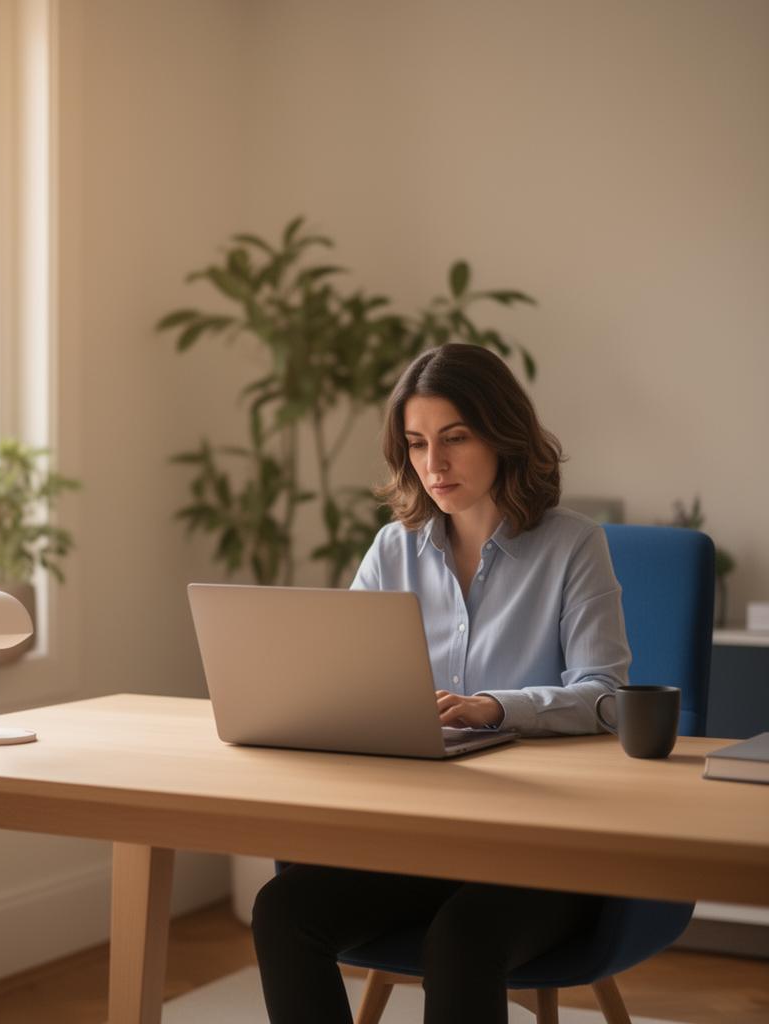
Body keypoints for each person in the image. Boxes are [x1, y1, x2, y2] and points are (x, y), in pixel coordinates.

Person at [251, 343, 631, 1024]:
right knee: (282, 911)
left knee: (462, 940)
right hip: (418, 841)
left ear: (503, 436)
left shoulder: (574, 545)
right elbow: (344, 680)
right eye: (418, 443)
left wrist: (494, 708)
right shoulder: (392, 549)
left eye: (455, 438)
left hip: (543, 850)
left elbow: (606, 697)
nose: (434, 464)